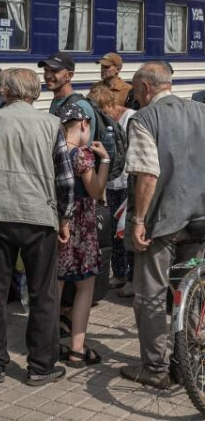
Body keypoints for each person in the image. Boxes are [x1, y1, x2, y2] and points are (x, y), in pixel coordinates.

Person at [0, 68, 74, 386]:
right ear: (35, 92)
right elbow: (65, 179)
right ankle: (40, 366)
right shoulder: (52, 125)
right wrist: (64, 218)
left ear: (6, 92)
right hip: (40, 217)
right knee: (43, 294)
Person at [120, 61, 205, 389]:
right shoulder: (201, 111)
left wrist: (139, 220)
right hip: (200, 219)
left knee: (151, 293)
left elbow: (147, 174)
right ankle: (190, 360)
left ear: (144, 88)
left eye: (135, 90)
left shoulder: (145, 118)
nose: (135, 96)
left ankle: (154, 368)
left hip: (163, 221)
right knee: (194, 287)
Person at [57, 104, 110, 367]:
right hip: (80, 224)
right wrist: (106, 161)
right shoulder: (82, 155)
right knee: (84, 286)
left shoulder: (52, 151)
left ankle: (46, 344)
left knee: (54, 284)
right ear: (82, 125)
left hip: (55, 222)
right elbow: (96, 191)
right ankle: (77, 349)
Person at [88, 82, 136, 297]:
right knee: (114, 231)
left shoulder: (130, 118)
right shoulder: (100, 122)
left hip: (128, 183)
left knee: (126, 231)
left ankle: (132, 277)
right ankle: (119, 273)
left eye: (101, 109)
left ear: (110, 104)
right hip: (110, 184)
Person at [39, 52, 96, 139]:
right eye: (46, 70)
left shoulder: (79, 106)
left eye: (54, 71)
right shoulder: (57, 100)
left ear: (69, 75)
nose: (48, 76)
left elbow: (76, 149)